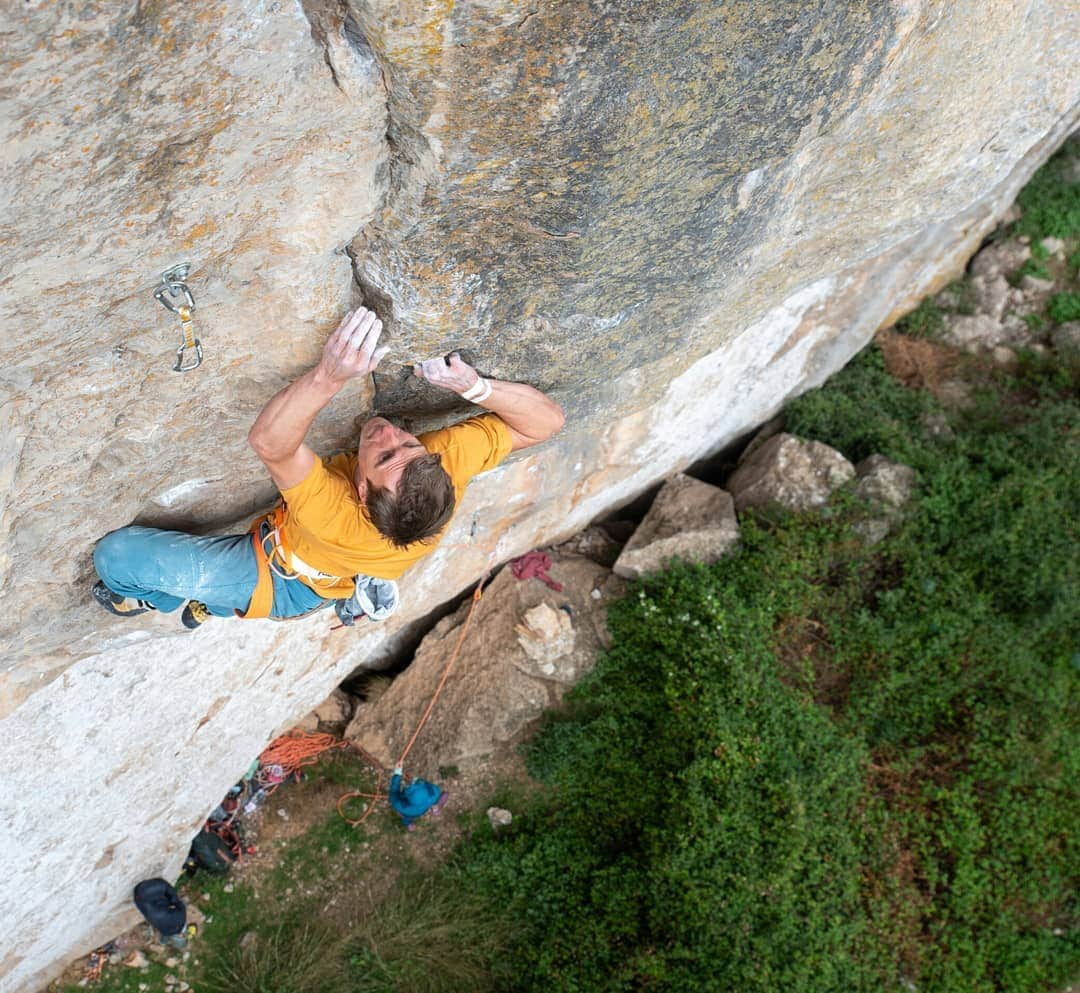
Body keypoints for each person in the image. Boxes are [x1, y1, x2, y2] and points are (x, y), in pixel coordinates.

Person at [92, 307, 564, 628]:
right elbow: (546, 423)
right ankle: (207, 600)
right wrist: (474, 387)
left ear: (359, 492)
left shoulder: (338, 518)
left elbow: (270, 443)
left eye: (382, 454)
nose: (389, 432)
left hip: (278, 582)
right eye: (407, 444)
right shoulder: (434, 474)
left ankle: (164, 598)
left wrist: (329, 376)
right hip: (321, 560)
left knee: (117, 559)